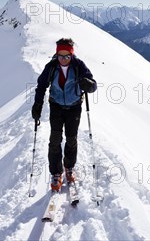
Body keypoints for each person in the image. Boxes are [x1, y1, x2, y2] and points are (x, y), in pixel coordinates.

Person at [32, 37, 97, 191]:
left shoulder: (78, 65)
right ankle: (56, 173)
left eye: (67, 55)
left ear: (72, 54)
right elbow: (41, 85)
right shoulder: (52, 67)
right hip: (56, 106)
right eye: (60, 55)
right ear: (56, 54)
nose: (64, 59)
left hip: (74, 107)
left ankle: (69, 167)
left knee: (71, 138)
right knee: (55, 140)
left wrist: (88, 85)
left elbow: (93, 85)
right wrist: (37, 104)